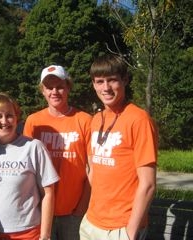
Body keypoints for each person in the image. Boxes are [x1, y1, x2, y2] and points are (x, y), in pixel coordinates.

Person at [79, 54, 158, 240]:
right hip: (91, 223)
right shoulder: (97, 119)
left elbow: (148, 184)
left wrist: (130, 231)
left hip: (121, 228)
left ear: (125, 80)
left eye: (112, 80)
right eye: (99, 81)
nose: (105, 88)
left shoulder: (139, 120)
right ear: (93, 84)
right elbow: (93, 170)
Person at [23, 65, 92, 240]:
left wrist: (82, 207)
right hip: (41, 210)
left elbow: (92, 169)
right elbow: (26, 169)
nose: (55, 91)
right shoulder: (34, 122)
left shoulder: (84, 120)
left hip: (73, 212)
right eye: (49, 87)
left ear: (68, 87)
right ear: (43, 91)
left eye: (60, 86)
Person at [0, 92, 59, 240]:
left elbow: (48, 193)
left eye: (10, 115)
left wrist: (45, 235)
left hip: (29, 232)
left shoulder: (33, 147)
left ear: (17, 118)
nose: (5, 121)